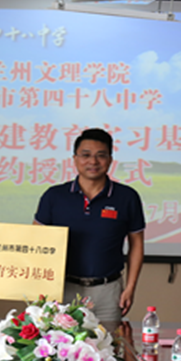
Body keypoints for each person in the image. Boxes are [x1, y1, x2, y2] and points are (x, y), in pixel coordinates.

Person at [34, 128, 145, 323]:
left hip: (108, 291)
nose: (93, 162)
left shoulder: (127, 197)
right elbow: (35, 241)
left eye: (100, 155)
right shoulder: (54, 196)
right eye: (86, 155)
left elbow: (136, 244)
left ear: (110, 160)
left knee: (108, 342)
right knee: (57, 342)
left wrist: (130, 288)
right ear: (75, 159)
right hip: (61, 289)